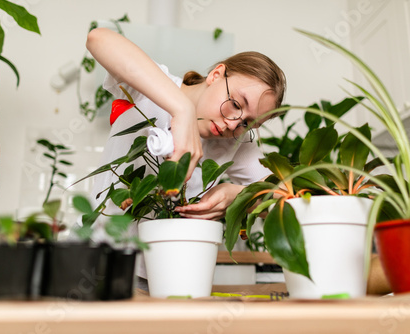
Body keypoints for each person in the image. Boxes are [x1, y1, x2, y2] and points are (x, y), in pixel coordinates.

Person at [86, 27, 287, 221]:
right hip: (100, 248)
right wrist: (183, 110)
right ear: (216, 75)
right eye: (235, 104)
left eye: (248, 123)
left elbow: (289, 199)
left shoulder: (235, 143)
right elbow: (98, 38)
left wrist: (238, 196)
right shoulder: (158, 85)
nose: (234, 126)